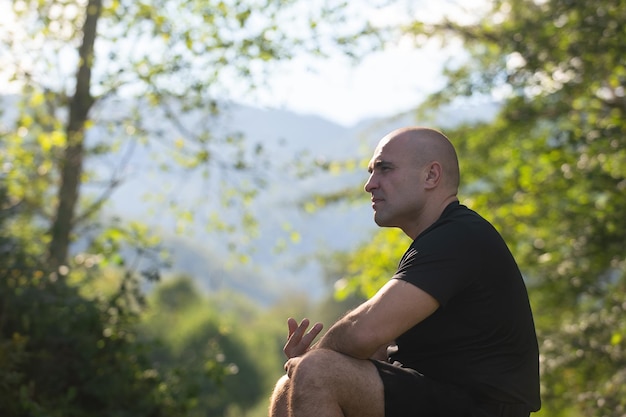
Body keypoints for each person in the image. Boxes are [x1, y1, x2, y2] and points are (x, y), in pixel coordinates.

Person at [268, 127, 541, 417]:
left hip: (479, 408)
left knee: (316, 372)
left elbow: (363, 333)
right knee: (289, 384)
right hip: (437, 399)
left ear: (431, 176)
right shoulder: (436, 242)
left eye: (384, 169)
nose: (369, 185)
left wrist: (316, 357)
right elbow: (374, 350)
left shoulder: (459, 236)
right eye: (372, 172)